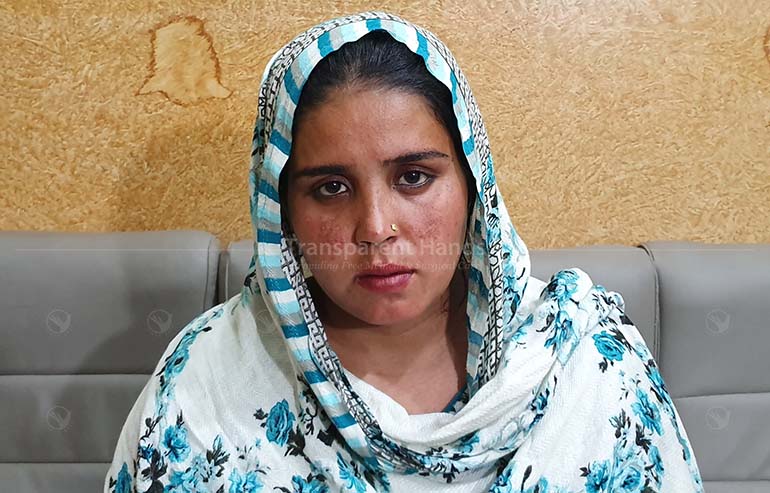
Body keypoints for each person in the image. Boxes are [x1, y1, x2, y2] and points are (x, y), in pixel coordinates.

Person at [105, 11, 704, 493]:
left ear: (473, 185)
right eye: (330, 188)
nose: (375, 228)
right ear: (281, 211)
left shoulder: (587, 358)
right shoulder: (210, 378)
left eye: (414, 178)